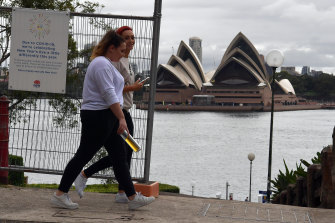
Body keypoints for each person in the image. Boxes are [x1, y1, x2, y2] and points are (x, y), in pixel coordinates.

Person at [50, 29, 154, 210]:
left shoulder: (105, 64)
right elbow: (108, 94)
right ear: (111, 48)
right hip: (98, 116)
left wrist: (117, 117)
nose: (123, 54)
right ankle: (60, 194)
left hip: (106, 115)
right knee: (83, 155)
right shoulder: (101, 64)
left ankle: (131, 197)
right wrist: (121, 118)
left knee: (120, 156)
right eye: (121, 50)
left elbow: (111, 93)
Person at [74, 26, 144, 204]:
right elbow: (111, 89)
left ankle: (123, 192)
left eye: (132, 38)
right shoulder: (114, 61)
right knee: (122, 151)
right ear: (117, 42)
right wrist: (133, 88)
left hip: (124, 110)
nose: (130, 41)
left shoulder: (125, 60)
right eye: (126, 38)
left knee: (126, 151)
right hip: (116, 112)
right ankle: (86, 174)